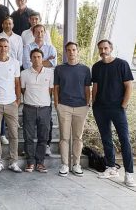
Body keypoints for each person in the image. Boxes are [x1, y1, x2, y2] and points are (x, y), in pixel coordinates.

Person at [92, 39, 135, 187]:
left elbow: (129, 86)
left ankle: (129, 174)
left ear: (111, 48)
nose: (103, 51)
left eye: (105, 48)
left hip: (117, 108)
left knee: (124, 140)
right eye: (101, 49)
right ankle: (111, 168)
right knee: (106, 139)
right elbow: (95, 87)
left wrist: (123, 105)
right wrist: (94, 104)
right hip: (100, 109)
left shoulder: (122, 64)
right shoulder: (96, 67)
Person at [54, 42, 91, 177]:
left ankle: (76, 164)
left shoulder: (85, 69)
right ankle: (64, 164)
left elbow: (88, 88)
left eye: (74, 50)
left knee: (78, 137)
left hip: (81, 107)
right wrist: (57, 104)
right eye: (68, 50)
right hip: (64, 106)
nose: (71, 52)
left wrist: (88, 104)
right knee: (64, 137)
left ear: (77, 51)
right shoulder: (59, 69)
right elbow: (56, 88)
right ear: (66, 52)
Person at [0, 38, 22, 173]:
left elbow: (17, 83)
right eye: (0, 46)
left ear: (9, 48)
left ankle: (14, 162)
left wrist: (18, 100)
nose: (3, 49)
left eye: (5, 46)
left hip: (11, 103)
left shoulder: (15, 63)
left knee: (14, 134)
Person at [20, 48, 53, 173]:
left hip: (44, 109)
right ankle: (30, 163)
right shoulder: (24, 73)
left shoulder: (50, 73)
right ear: (30, 58)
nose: (36, 59)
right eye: (34, 57)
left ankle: (40, 163)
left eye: (39, 57)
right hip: (29, 108)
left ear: (42, 58)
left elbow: (50, 91)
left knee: (43, 137)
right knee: (28, 137)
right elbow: (23, 90)